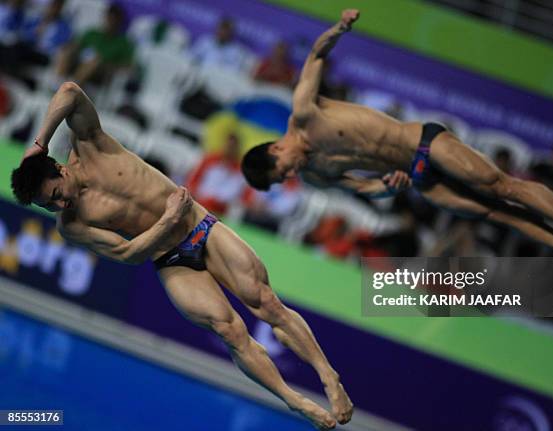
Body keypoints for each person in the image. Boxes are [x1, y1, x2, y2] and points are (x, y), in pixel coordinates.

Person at [10, 82, 352, 430]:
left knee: (265, 303)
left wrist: (38, 143)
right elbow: (129, 254)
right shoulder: (70, 224)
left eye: (56, 194)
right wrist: (168, 220)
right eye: (48, 205)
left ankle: (328, 375)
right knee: (229, 330)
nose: (58, 205)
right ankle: (295, 401)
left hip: (200, 226)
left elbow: (69, 91)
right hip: (170, 260)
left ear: (61, 169)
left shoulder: (92, 145)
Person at [241, 9, 553, 262]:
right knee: (496, 214)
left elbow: (315, 57)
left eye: (282, 170)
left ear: (276, 148)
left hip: (423, 143)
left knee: (502, 187)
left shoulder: (305, 113)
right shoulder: (315, 173)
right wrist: (388, 187)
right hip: (417, 177)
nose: (291, 176)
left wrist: (339, 29)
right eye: (284, 179)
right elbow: (362, 189)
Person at [55, 3, 133, 86]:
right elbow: (76, 46)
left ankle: (72, 87)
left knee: (93, 61)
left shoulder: (124, 43)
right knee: (66, 52)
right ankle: (56, 83)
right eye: (109, 18)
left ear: (119, 22)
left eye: (114, 19)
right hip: (79, 62)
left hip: (102, 72)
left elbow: (127, 66)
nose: (111, 22)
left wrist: (107, 65)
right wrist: (70, 49)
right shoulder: (92, 33)